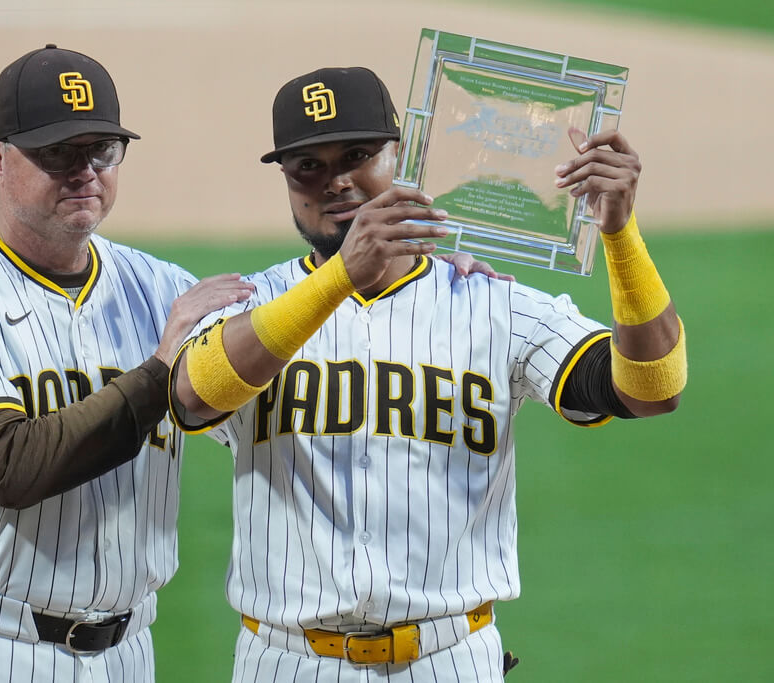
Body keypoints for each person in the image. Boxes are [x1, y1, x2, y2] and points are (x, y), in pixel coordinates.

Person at [169, 67, 685, 681]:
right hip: (286, 660)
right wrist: (343, 276)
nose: (336, 181)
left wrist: (619, 233)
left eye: (358, 155)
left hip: (449, 659)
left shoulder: (494, 301)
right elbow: (194, 397)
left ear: (403, 154)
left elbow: (652, 389)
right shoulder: (248, 311)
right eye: (307, 166)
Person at [0, 45, 255, 682]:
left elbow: (272, 385)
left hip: (127, 655)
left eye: (101, 150)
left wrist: (421, 279)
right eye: (57, 153)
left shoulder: (159, 287)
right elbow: (7, 467)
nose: (84, 171)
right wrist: (158, 375)